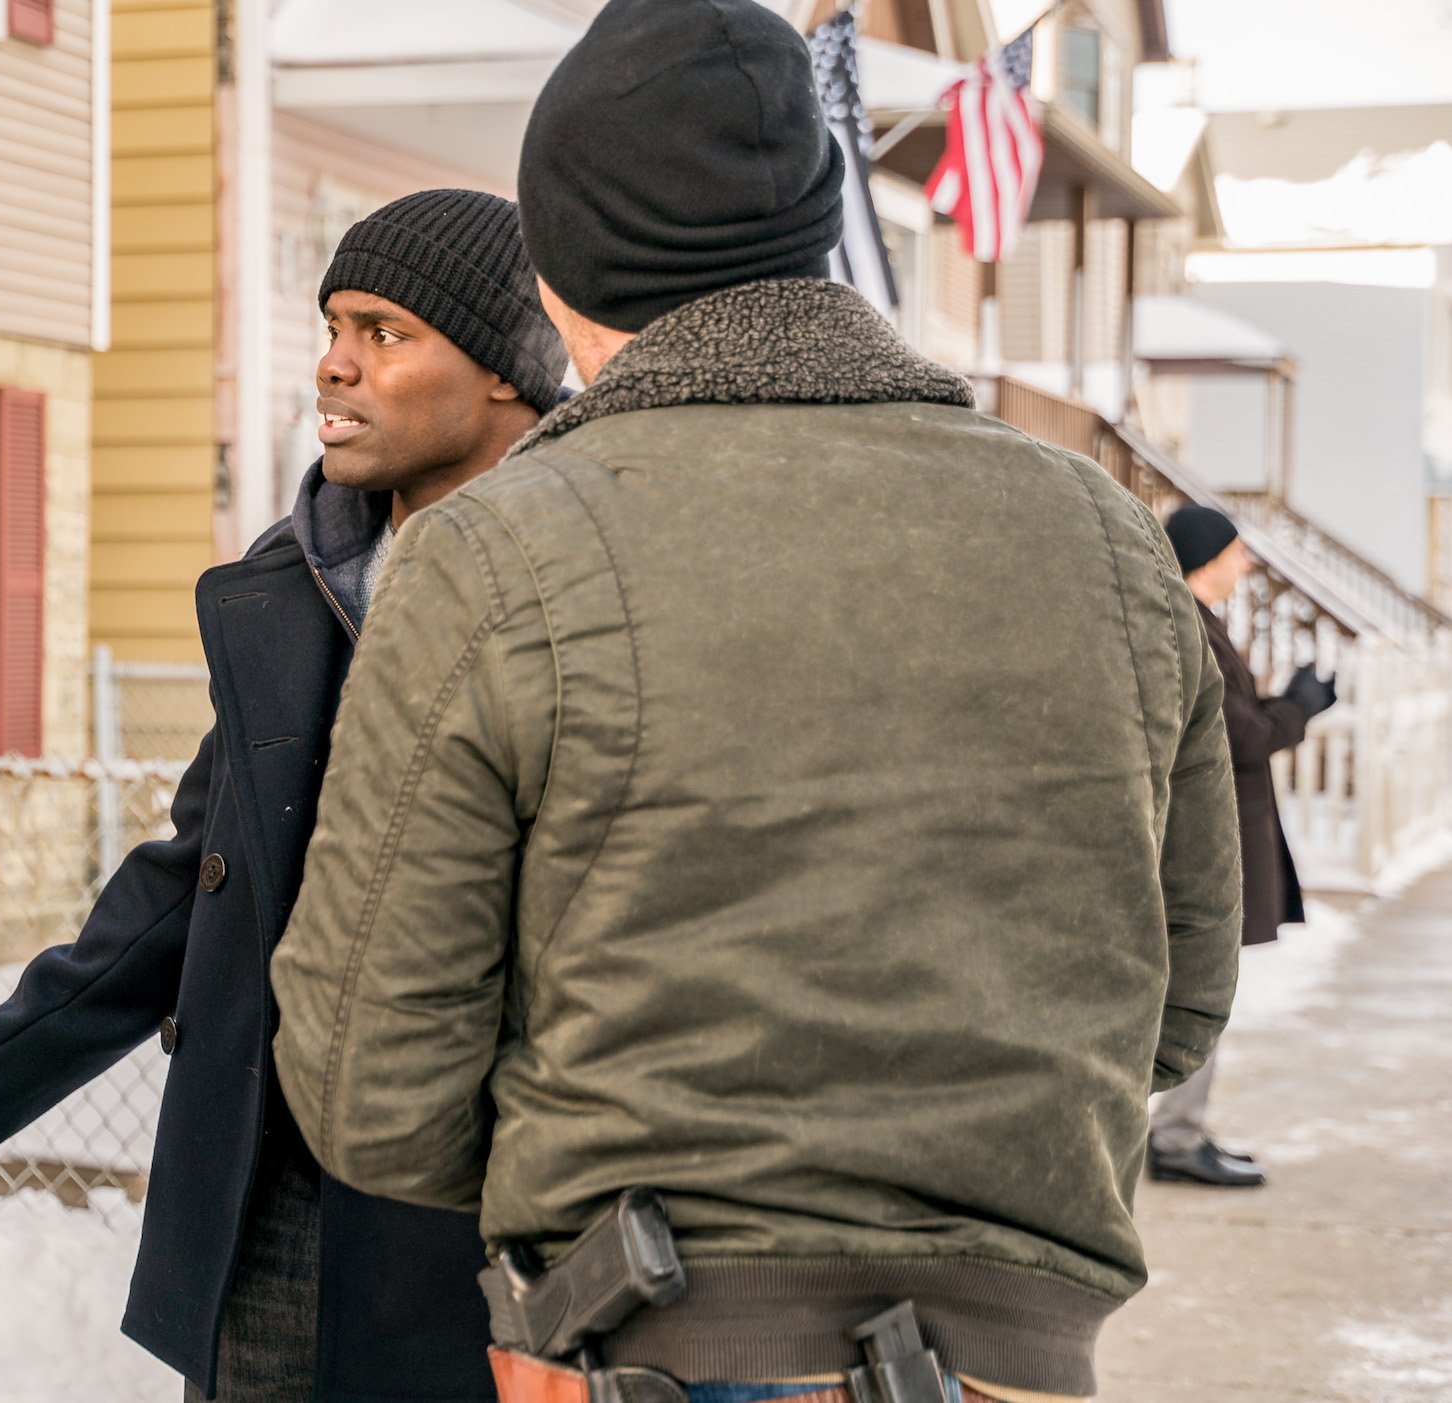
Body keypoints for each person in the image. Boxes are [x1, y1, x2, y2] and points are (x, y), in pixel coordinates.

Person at [268, 3, 1244, 1401]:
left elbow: (370, 1062)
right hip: (1011, 1347)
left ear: (560, 261)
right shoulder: (1103, 535)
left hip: (650, 1329)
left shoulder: (495, 557)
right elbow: (1184, 995)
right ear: (809, 222)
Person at [0, 190, 569, 1403]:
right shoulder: (299, 588)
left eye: (386, 331)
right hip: (268, 1209)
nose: (335, 363)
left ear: (509, 373)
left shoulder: (593, 594)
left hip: (485, 1243)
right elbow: (194, 884)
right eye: (332, 323)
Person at [1149, 506, 1335, 1188]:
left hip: (1217, 833)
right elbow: (1244, 737)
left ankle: (1177, 1128)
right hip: (1207, 841)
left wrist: (1290, 702)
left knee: (1197, 983)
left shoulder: (1195, 622)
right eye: (1238, 551)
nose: (1247, 563)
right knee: (1200, 987)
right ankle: (1174, 1134)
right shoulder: (1192, 629)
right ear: (1207, 557)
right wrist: (1301, 706)